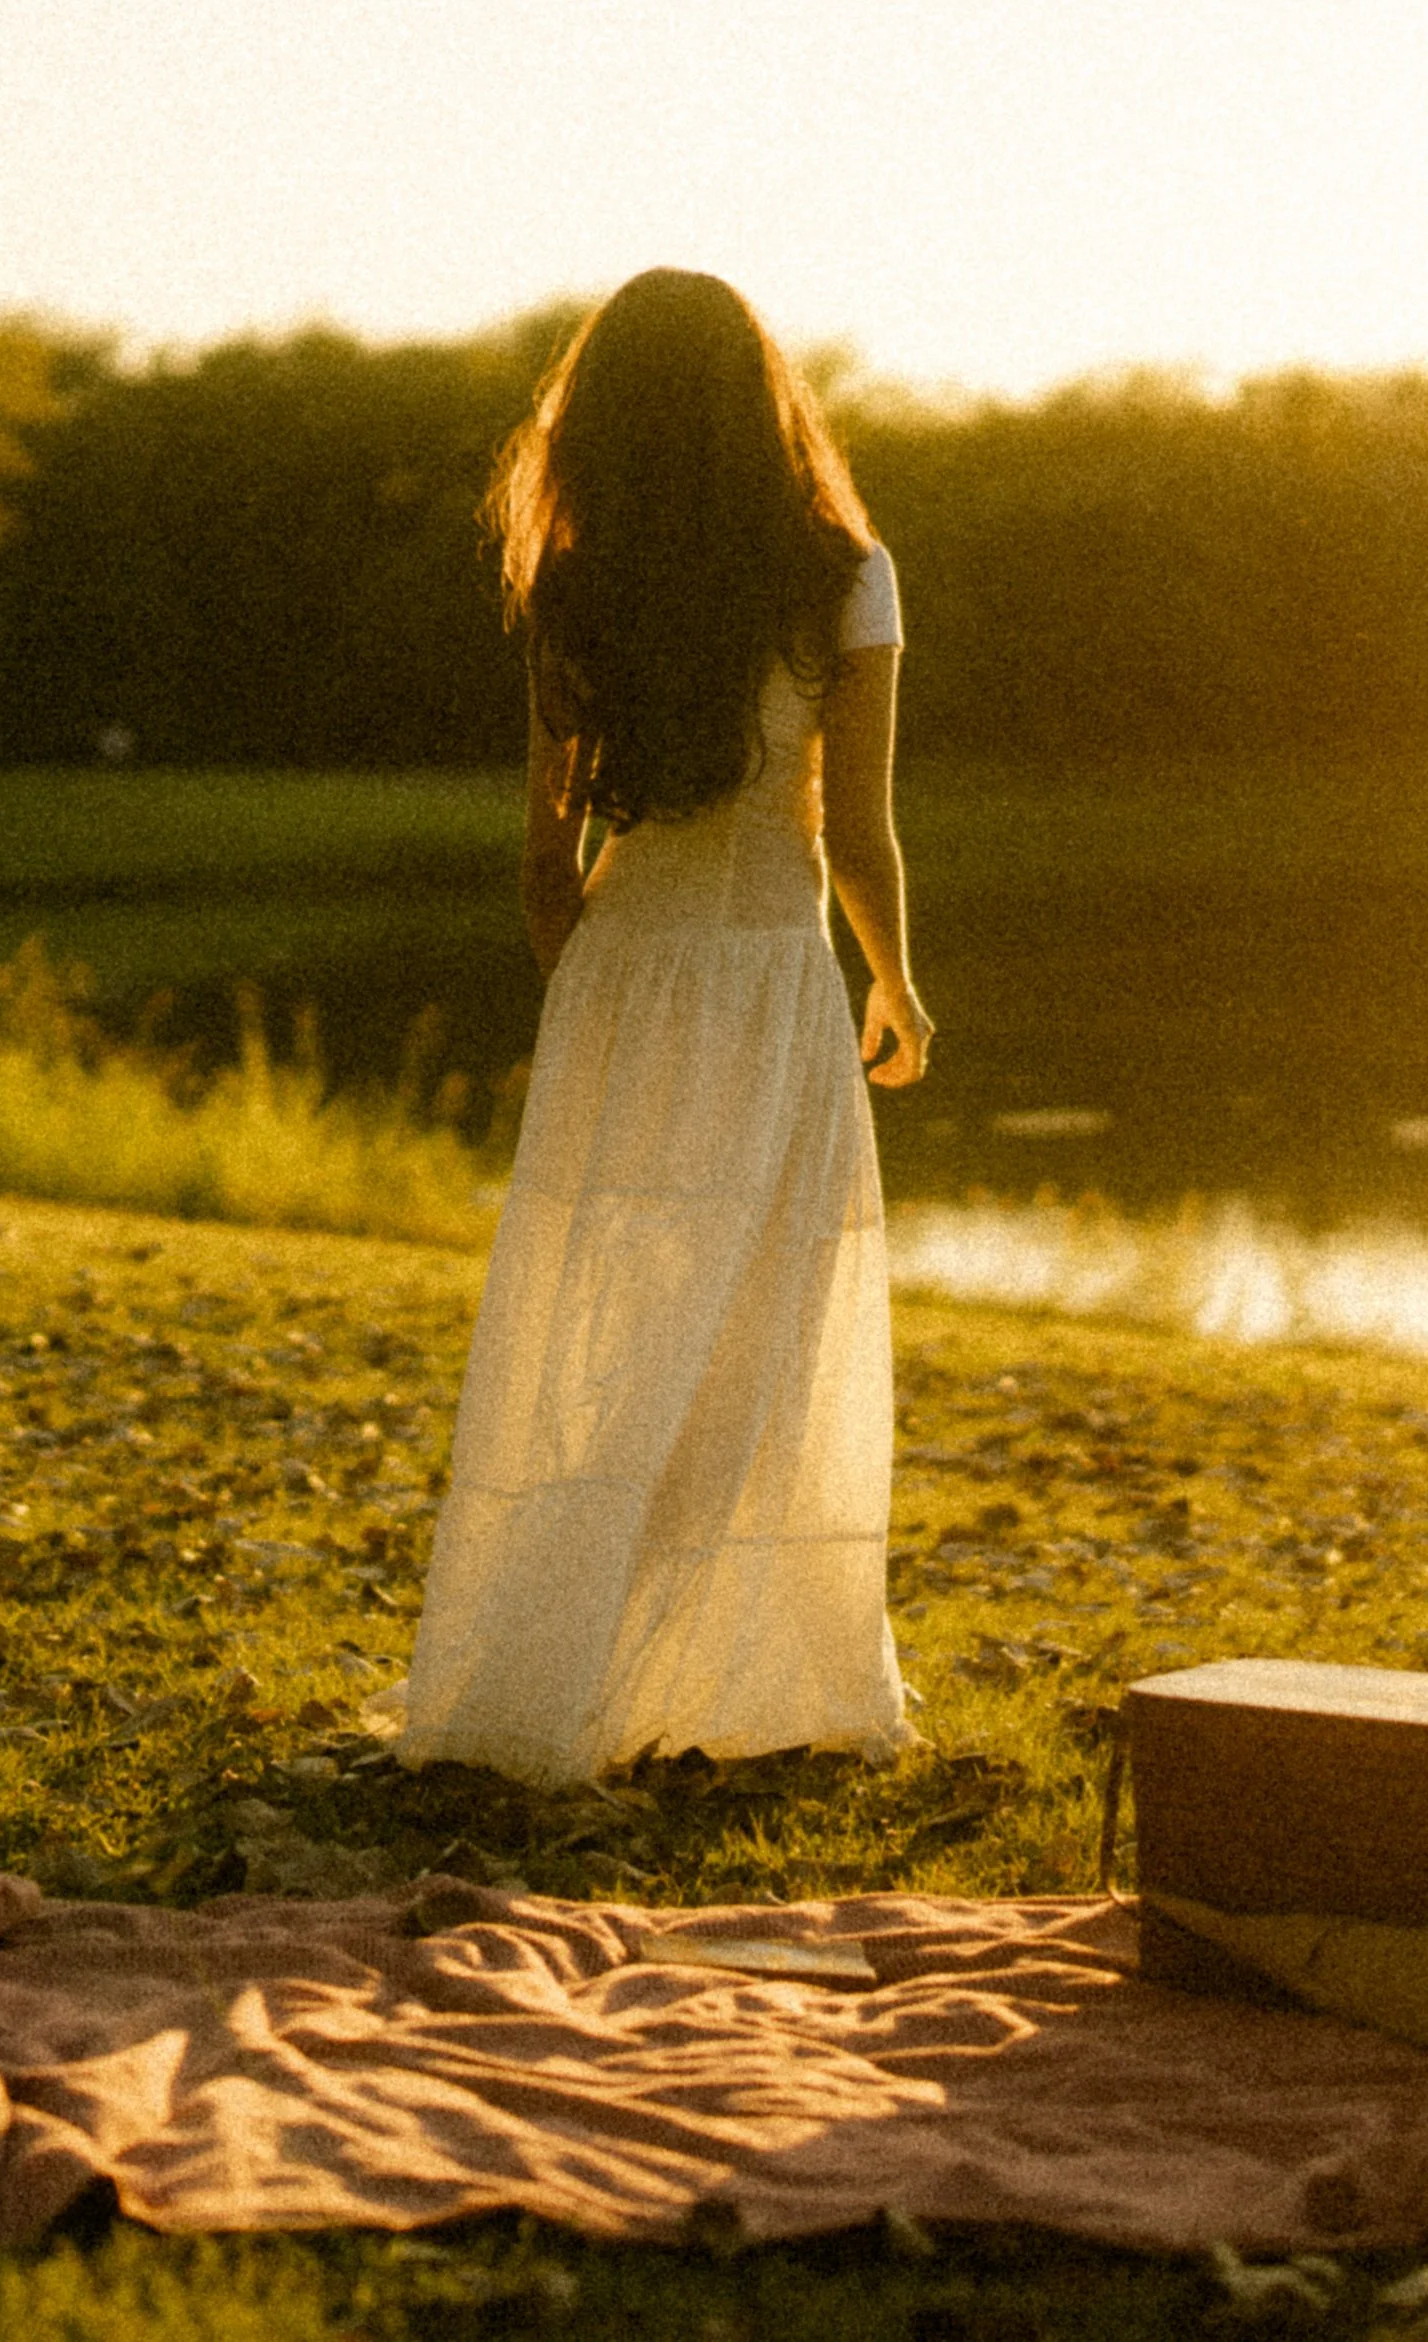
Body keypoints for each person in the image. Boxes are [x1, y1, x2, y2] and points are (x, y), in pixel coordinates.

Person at [393, 268, 933, 1785]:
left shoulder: (577, 577)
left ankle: (559, 1658)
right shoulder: (846, 573)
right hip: (768, 972)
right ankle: (740, 1662)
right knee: (766, 1315)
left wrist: (583, 991)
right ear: (765, 399)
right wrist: (898, 983)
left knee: (611, 1311)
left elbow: (542, 859)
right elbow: (860, 836)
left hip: (632, 968)